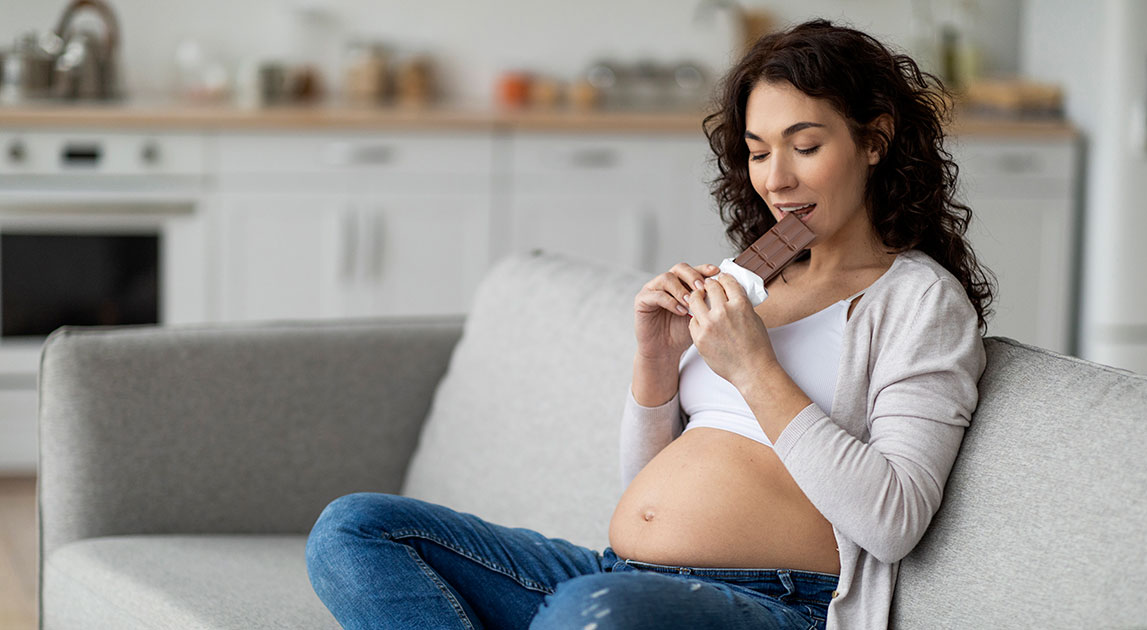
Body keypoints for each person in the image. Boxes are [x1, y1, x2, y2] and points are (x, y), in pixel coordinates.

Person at [306, 18, 992, 630]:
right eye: (757, 152)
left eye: (804, 146)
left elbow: (894, 520)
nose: (777, 179)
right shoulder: (750, 277)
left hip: (780, 602)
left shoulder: (920, 304)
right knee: (355, 530)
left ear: (875, 140)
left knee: (588, 613)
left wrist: (755, 370)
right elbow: (649, 485)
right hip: (617, 578)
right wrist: (656, 367)